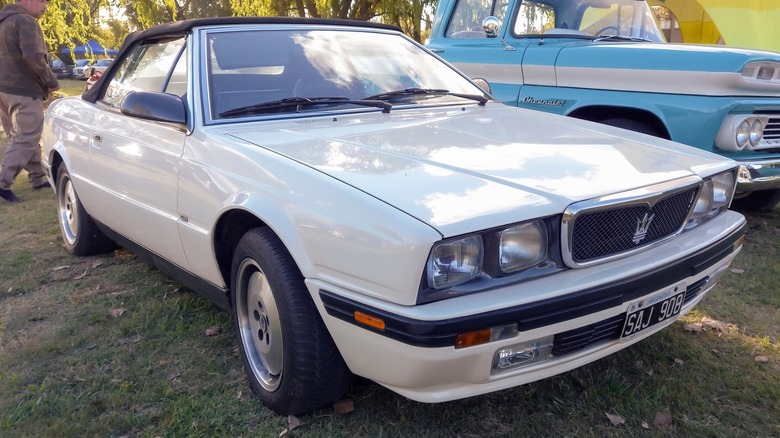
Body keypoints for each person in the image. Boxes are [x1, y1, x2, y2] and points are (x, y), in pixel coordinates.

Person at [0, 0, 59, 203]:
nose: (46, 6)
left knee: (24, 136)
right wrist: (51, 81)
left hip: (3, 89)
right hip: (24, 88)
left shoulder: (3, 21)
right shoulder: (25, 21)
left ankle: (37, 178)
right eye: (42, 1)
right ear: (26, 1)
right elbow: (34, 56)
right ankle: (2, 182)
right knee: (26, 137)